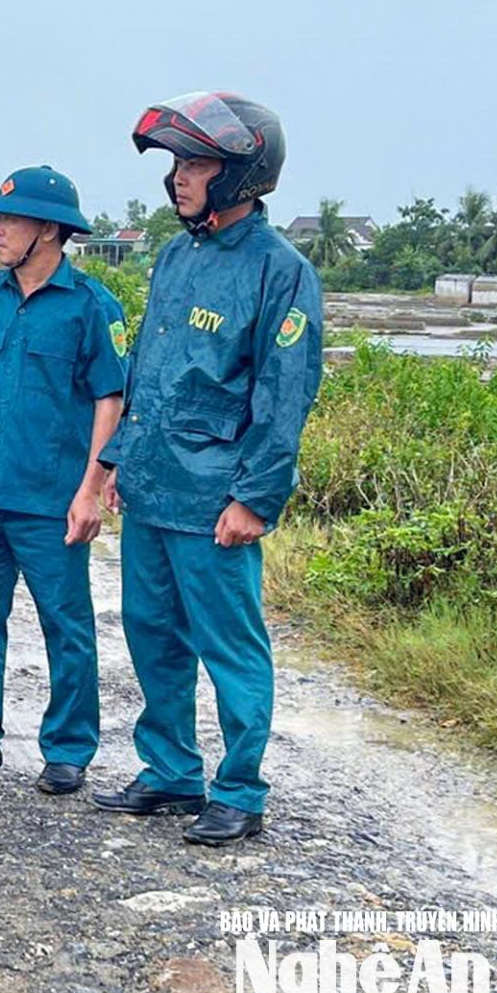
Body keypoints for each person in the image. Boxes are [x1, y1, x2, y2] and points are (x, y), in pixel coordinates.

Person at [92, 92, 324, 846]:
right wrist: (120, 461)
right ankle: (169, 771)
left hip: (217, 493)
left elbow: (284, 395)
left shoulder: (279, 271)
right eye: (177, 163)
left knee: (229, 644)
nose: (180, 178)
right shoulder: (174, 254)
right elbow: (148, 371)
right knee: (152, 634)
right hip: (155, 484)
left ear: (241, 175)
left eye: (195, 163)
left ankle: (240, 788)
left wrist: (256, 497)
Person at [0, 167, 126, 788]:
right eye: (0, 218)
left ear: (49, 230)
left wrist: (90, 489)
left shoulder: (91, 307)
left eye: (11, 220)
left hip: (51, 503)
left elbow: (109, 402)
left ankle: (68, 749)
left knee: (66, 627)